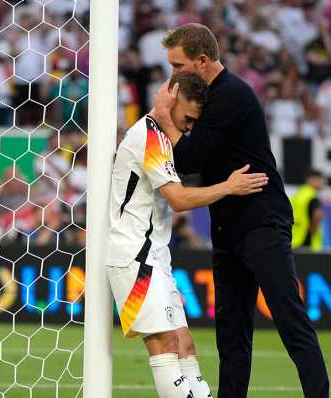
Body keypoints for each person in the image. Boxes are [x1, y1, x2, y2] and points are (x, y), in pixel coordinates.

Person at [153, 23, 329, 398]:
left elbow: (188, 158)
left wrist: (164, 116)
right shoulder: (209, 99)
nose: (173, 75)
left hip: (260, 223)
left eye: (178, 66)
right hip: (229, 228)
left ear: (202, 61)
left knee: (289, 319)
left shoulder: (232, 95)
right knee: (231, 335)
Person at [107, 71, 269, 398]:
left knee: (184, 343)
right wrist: (229, 187)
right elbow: (178, 199)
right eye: (188, 118)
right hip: (135, 257)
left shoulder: (162, 135)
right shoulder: (149, 136)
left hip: (155, 258)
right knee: (165, 344)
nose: (189, 127)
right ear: (171, 96)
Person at [290, 169, 326, 251]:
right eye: (320, 179)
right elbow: (318, 214)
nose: (322, 183)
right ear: (311, 180)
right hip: (308, 242)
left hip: (295, 239)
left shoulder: (297, 194)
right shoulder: (312, 195)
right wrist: (313, 228)